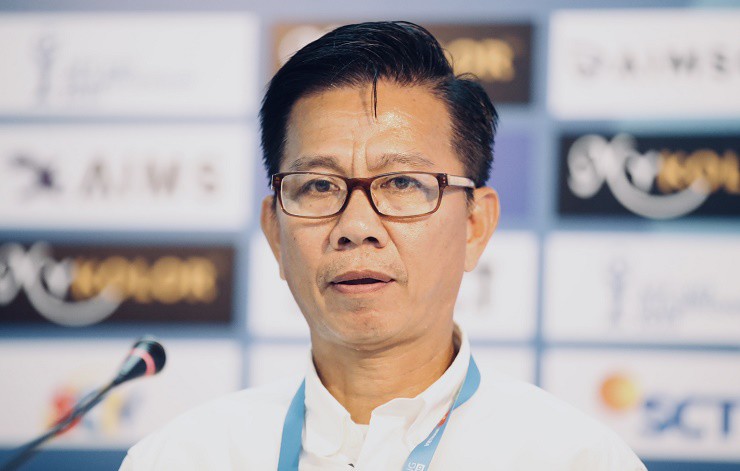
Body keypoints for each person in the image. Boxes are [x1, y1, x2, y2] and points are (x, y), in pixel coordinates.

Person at [120, 21, 646, 470]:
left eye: (401, 183)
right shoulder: (181, 457)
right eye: (318, 185)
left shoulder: (575, 458)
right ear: (275, 233)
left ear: (474, 225)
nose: (356, 225)